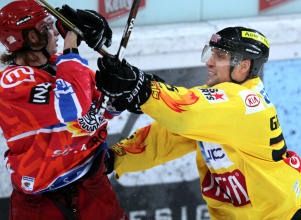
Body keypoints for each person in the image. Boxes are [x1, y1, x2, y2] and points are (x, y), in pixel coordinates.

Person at [96, 26, 301, 219]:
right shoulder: (225, 103)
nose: (209, 62)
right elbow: (167, 137)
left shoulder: (242, 103)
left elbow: (186, 112)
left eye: (220, 56)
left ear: (243, 67)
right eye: (211, 53)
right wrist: (114, 158)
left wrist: (142, 89)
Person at [0, 1, 128, 219]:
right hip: (40, 203)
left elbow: (103, 110)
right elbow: (73, 105)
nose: (56, 32)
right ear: (32, 37)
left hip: (91, 187)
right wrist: (72, 41)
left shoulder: (60, 65)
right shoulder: (12, 82)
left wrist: (120, 91)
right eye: (47, 26)